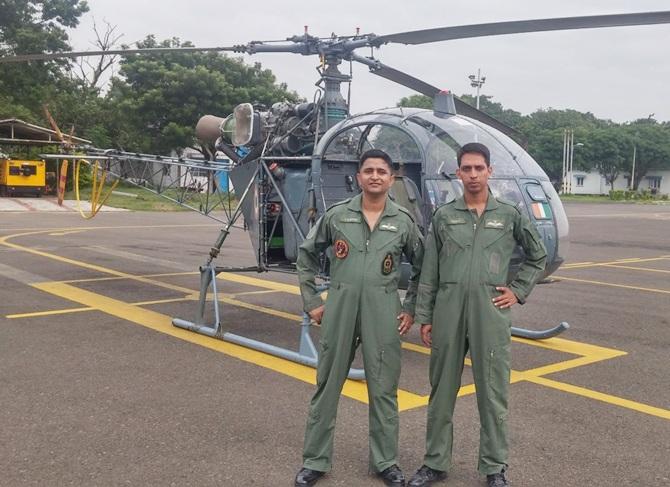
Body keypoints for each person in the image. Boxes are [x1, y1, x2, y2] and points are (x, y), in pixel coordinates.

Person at [408, 143, 547, 487]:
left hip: (490, 311)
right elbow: (429, 271)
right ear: (458, 173)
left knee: (493, 392)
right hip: (448, 311)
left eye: (478, 168)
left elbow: (537, 255)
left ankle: (495, 467)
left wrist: (518, 290)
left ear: (489, 171)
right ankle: (435, 462)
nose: (472, 175)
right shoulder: (444, 216)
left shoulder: (510, 214)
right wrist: (425, 316)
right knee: (441, 392)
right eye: (466, 169)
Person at [294, 149, 424, 486]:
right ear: (359, 177)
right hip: (340, 308)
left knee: (383, 389)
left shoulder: (403, 221)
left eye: (382, 171)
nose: (376, 176)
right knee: (327, 385)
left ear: (391, 178)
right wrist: (313, 302)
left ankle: (386, 462)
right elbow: (306, 255)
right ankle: (315, 460)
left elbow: (424, 269)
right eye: (369, 170)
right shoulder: (338, 216)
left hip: (384, 311)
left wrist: (410, 308)